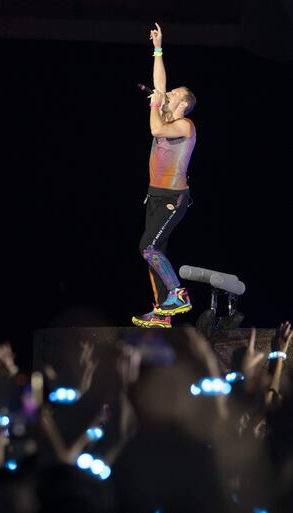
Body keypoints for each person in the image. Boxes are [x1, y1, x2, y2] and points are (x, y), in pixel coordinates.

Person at [132, 22, 198, 329]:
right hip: (156, 195)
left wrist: (157, 105)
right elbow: (159, 84)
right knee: (154, 256)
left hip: (174, 198)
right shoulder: (167, 112)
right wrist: (158, 49)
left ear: (183, 104)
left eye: (173, 95)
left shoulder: (184, 126)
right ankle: (163, 313)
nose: (166, 95)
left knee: (150, 248)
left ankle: (178, 294)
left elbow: (155, 129)